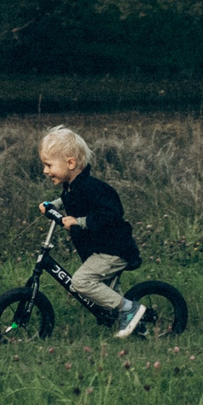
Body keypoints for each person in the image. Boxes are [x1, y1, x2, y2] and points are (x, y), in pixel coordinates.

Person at [37, 125, 150, 338]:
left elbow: (111, 213)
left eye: (49, 165)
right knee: (106, 293)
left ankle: (129, 309)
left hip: (114, 249)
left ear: (70, 163)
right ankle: (133, 323)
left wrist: (79, 222)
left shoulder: (94, 188)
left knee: (81, 282)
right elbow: (69, 199)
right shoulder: (73, 187)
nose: (45, 170)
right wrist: (53, 205)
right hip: (100, 249)